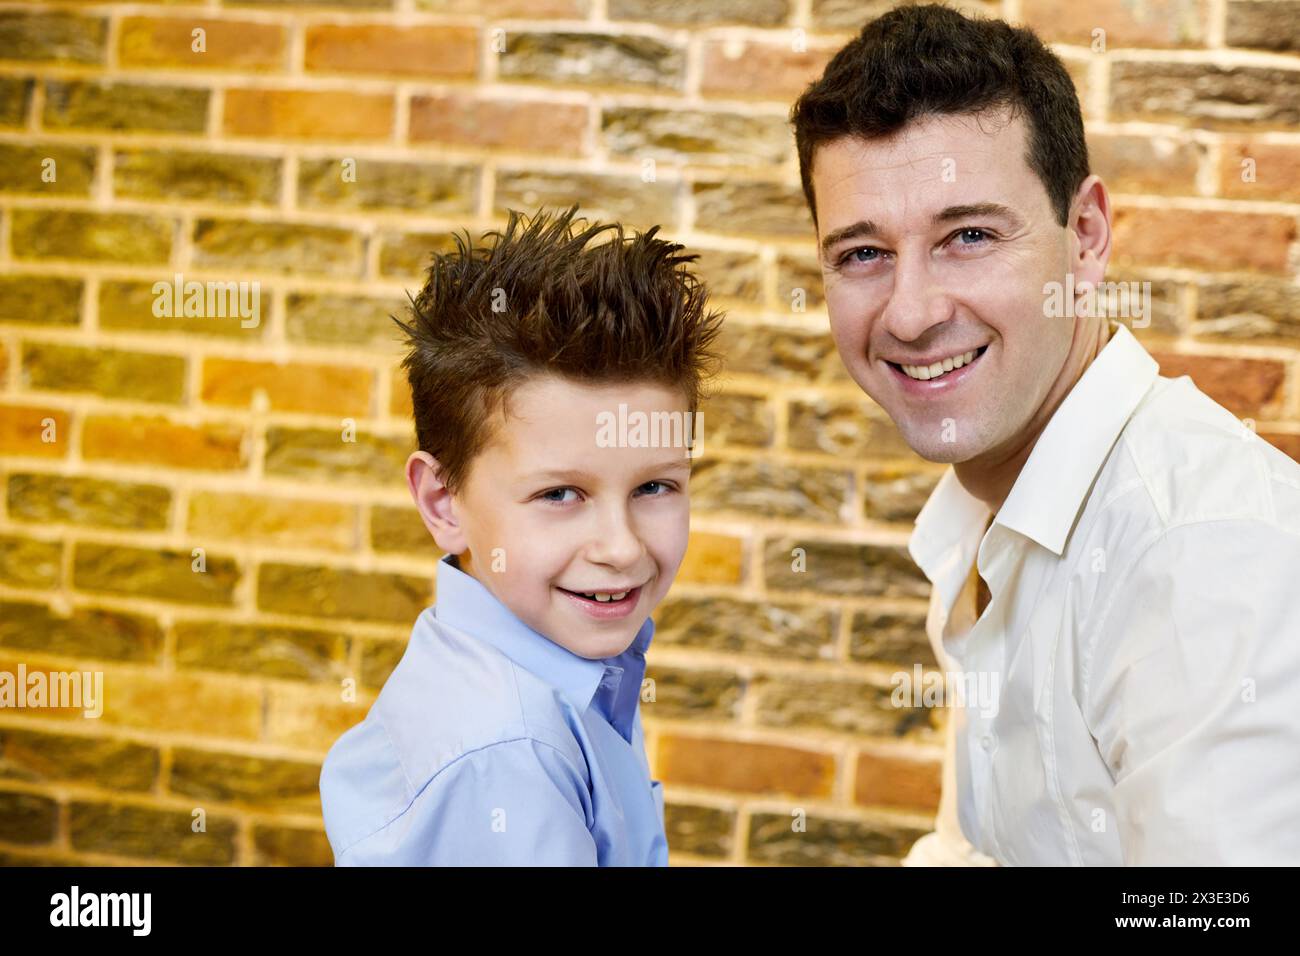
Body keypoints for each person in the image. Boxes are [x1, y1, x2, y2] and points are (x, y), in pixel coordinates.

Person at [791, 3, 1300, 864]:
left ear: (1087, 237)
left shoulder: (1205, 553)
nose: (911, 315)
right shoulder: (983, 512)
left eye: (970, 236)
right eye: (862, 254)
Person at [319, 205, 723, 865]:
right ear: (443, 501)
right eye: (559, 494)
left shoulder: (559, 663)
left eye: (654, 487)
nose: (621, 548)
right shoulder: (508, 758)